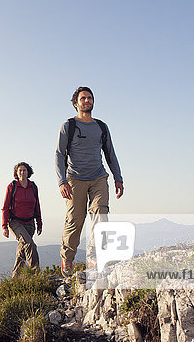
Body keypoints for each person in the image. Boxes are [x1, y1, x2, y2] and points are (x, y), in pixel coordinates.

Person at [55, 86, 123, 277]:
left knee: (100, 214)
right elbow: (60, 155)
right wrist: (62, 181)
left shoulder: (101, 127)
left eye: (90, 97)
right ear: (76, 103)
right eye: (83, 98)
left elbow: (110, 154)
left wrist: (118, 178)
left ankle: (94, 257)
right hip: (74, 179)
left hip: (98, 177)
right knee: (75, 220)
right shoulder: (68, 126)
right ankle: (67, 258)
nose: (87, 100)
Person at [1, 162, 42, 278]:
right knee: (30, 245)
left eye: (24, 170)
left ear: (28, 172)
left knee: (22, 252)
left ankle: (16, 279)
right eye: (20, 170)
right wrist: (4, 226)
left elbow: (37, 206)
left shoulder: (33, 187)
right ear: (16, 173)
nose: (22, 172)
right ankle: (35, 275)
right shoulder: (12, 186)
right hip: (15, 222)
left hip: (30, 223)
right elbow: (5, 207)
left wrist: (39, 223)